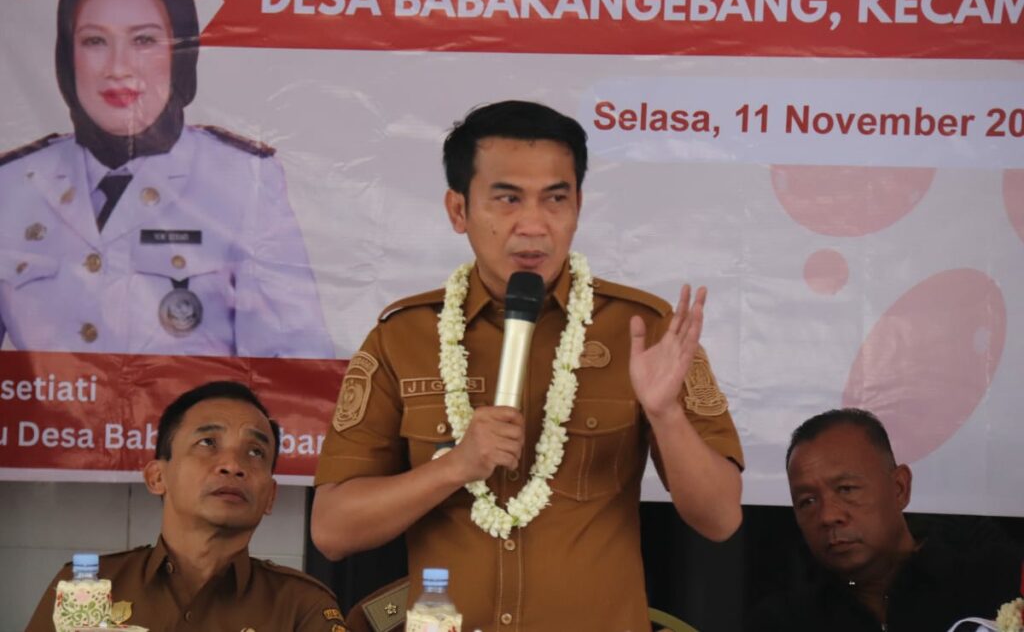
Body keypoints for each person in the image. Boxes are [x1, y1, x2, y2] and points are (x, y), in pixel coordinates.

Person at [311, 100, 744, 631]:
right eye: (508, 199)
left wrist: (665, 415)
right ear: (458, 210)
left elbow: (721, 518)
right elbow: (332, 530)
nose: (534, 225)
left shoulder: (644, 332)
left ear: (578, 207)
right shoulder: (402, 337)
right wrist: (454, 466)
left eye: (555, 199)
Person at [0, 0, 333, 358]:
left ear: (180, 53)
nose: (118, 67)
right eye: (94, 41)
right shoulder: (11, 186)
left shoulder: (242, 180)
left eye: (144, 40)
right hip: (47, 405)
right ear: (68, 57)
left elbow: (292, 369)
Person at [26, 380, 346, 631]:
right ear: (157, 477)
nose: (233, 465)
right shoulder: (87, 588)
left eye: (255, 452)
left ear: (270, 496)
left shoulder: (301, 606)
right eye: (207, 443)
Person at [750, 408, 1023, 631]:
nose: (828, 516)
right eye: (807, 501)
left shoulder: (996, 582)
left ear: (899, 488)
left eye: (846, 489)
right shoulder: (784, 621)